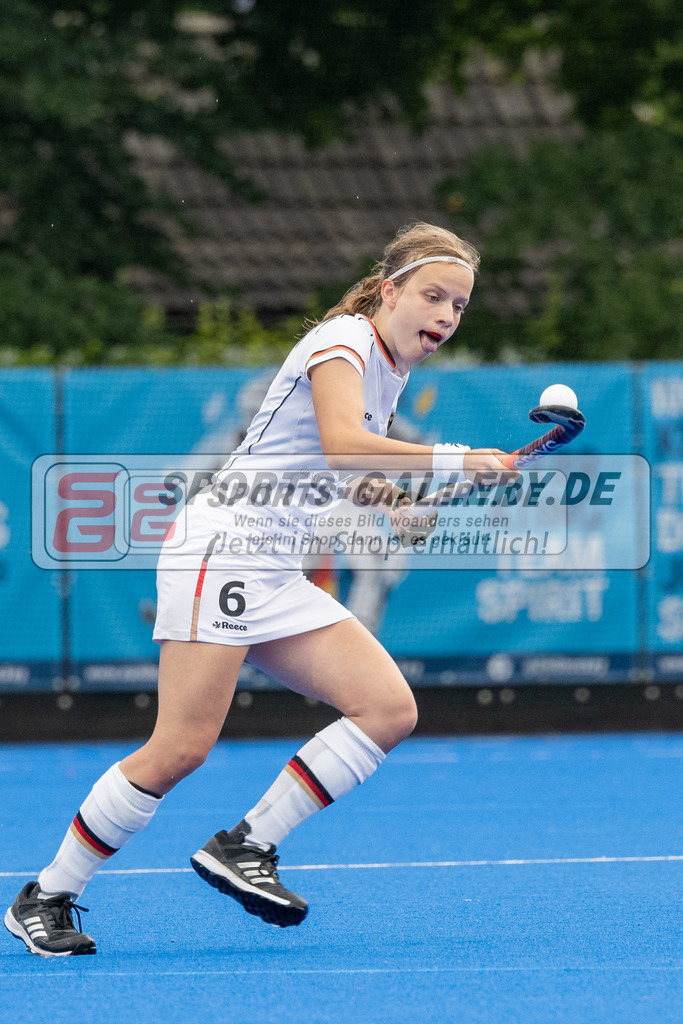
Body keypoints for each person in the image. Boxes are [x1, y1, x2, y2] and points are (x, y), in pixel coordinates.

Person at [4, 221, 511, 957]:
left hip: (273, 566)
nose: (444, 316)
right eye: (432, 296)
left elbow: (334, 468)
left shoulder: (388, 372)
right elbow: (339, 441)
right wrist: (452, 462)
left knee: (387, 709)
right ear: (390, 290)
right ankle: (46, 896)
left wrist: (395, 506)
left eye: (459, 306)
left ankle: (247, 844)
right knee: (179, 747)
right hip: (222, 551)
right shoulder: (342, 342)